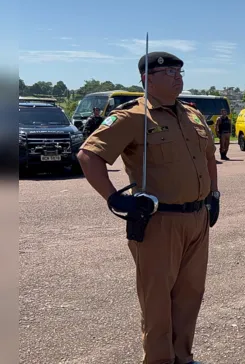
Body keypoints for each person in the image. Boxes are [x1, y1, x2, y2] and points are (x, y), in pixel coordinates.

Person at [76, 51, 219, 364]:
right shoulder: (133, 116)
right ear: (147, 79)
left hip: (197, 217)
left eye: (179, 72)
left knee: (190, 295)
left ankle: (183, 356)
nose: (176, 77)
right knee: (157, 303)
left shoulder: (192, 115)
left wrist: (214, 194)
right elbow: (89, 155)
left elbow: (209, 155)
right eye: (167, 72)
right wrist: (114, 198)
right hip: (158, 222)